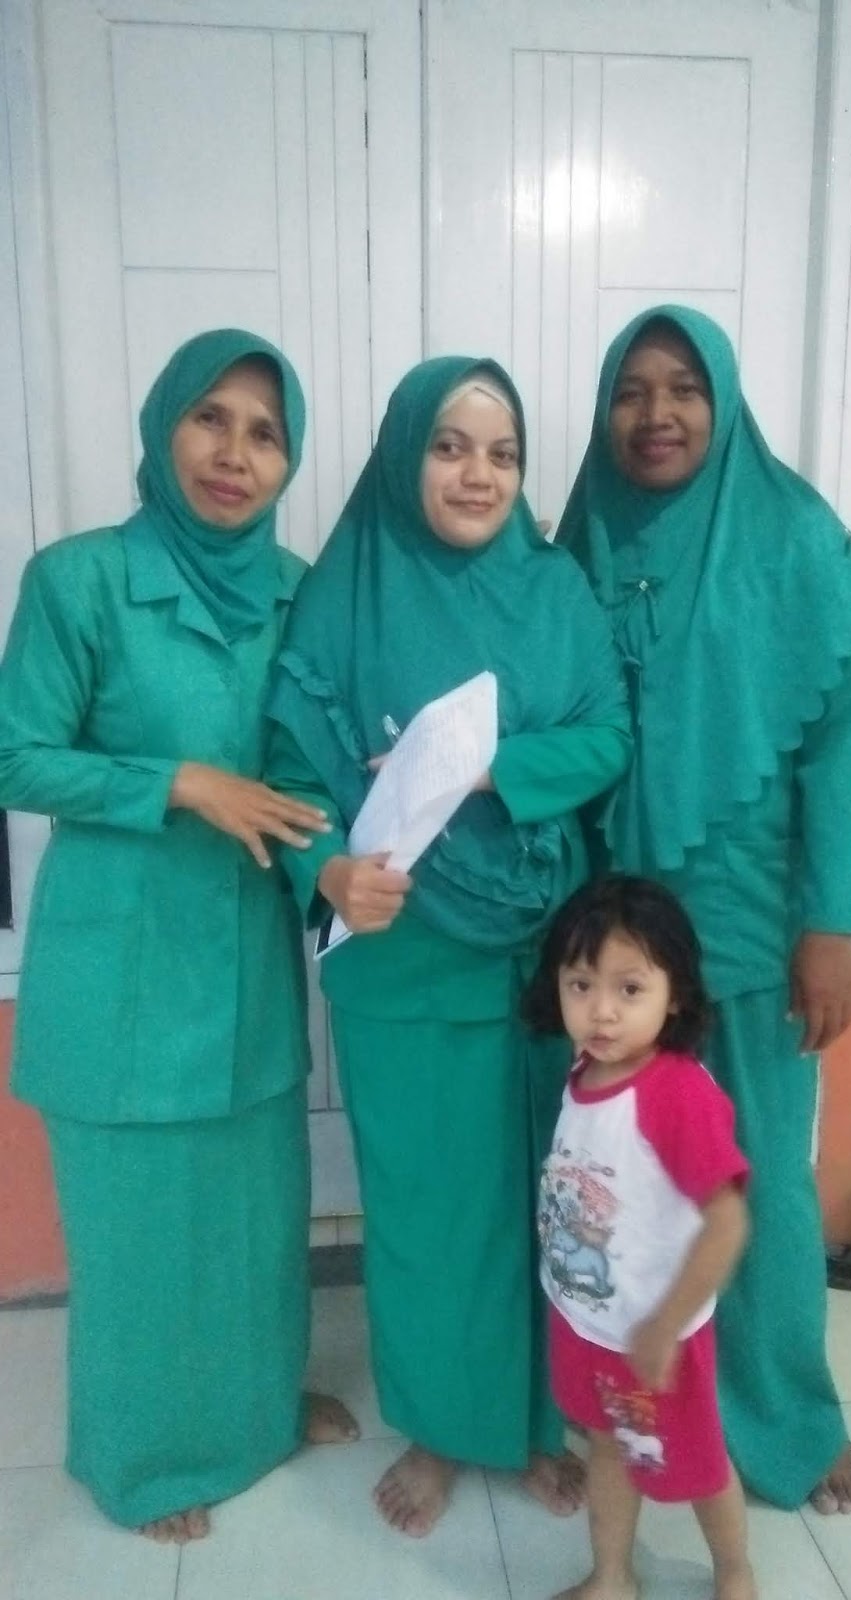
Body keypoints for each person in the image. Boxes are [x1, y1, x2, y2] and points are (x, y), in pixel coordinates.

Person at [264, 356, 633, 1536]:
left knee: (541, 1204)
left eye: (502, 453)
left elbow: (606, 736)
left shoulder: (554, 590)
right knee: (429, 1214)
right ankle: (438, 1426)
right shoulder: (346, 591)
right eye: (449, 446)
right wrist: (325, 868)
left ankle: (528, 1420)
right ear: (402, 454)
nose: (478, 474)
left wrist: (488, 766)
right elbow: (288, 764)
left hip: (539, 960)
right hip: (401, 959)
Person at [0, 329, 357, 1543]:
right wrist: (179, 783)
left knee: (255, 1218)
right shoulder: (80, 580)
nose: (234, 454)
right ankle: (147, 1455)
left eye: (265, 433)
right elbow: (17, 755)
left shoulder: (297, 592)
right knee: (143, 1233)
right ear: (163, 426)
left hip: (243, 959)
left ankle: (254, 1411)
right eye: (211, 418)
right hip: (120, 965)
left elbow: (304, 769)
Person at [556, 305, 851, 1515]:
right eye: (629, 389)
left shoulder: (794, 541)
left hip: (745, 924)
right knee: (614, 1186)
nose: (655, 414)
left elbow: (833, 750)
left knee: (758, 1186)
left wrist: (828, 923)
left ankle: (782, 1417)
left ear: (723, 399)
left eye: (682, 387)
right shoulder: (580, 536)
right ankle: (627, 1413)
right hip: (606, 942)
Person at [524, 874, 754, 1600]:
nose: (602, 1011)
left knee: (698, 1468)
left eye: (630, 989)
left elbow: (729, 1219)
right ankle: (613, 1577)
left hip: (658, 1339)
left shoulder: (676, 1094)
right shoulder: (584, 1069)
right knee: (607, 1442)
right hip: (590, 1323)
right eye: (581, 985)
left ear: (675, 993)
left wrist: (663, 1324)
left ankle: (737, 1576)